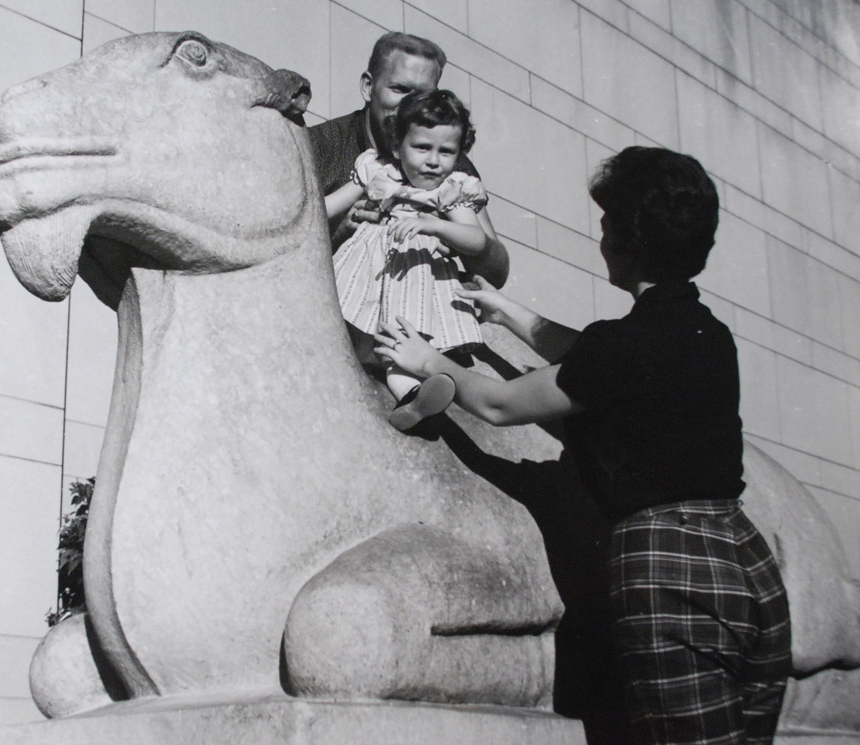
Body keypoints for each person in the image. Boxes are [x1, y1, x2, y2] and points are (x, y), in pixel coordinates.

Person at [375, 146, 792, 744]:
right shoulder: (703, 332)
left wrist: (427, 358)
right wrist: (505, 311)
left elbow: (499, 405)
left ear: (624, 240)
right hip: (744, 559)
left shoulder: (623, 348)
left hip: (668, 561)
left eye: (605, 226)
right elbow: (594, 358)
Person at [326, 90, 490, 431]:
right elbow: (330, 205)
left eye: (446, 151)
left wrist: (435, 224)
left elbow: (477, 240)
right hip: (366, 267)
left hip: (414, 277)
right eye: (422, 147)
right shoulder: (378, 170)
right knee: (335, 316)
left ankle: (415, 397)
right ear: (398, 144)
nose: (434, 161)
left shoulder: (452, 190)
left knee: (397, 346)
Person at [307, 31, 509, 287]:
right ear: (369, 87)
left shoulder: (448, 165)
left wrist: (450, 235)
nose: (408, 105)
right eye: (399, 89)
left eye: (422, 95)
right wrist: (340, 230)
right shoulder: (319, 146)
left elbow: (496, 273)